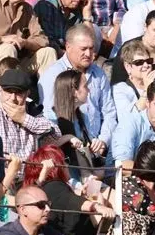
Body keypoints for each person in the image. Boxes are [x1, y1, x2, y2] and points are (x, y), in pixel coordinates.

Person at [38, 24, 117, 152]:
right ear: (68, 47)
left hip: (98, 147)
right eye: (83, 49)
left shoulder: (99, 73)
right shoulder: (52, 75)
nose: (88, 53)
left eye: (91, 48)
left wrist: (103, 140)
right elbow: (49, 117)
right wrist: (68, 140)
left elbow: (109, 113)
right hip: (69, 148)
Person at [22, 144, 114, 235]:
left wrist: (83, 194)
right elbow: (72, 201)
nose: (67, 165)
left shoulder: (49, 188)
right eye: (64, 161)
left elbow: (67, 199)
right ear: (56, 166)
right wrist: (98, 206)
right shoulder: (54, 186)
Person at [0, 184, 91, 235]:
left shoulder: (48, 232)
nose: (48, 209)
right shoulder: (5, 232)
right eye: (41, 205)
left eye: (48, 204)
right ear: (23, 209)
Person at [0, 69, 60, 176]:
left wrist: (24, 119)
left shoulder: (32, 110)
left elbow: (56, 135)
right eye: (9, 91)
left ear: (27, 93)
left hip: (32, 176)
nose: (13, 98)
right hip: (3, 176)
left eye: (18, 93)